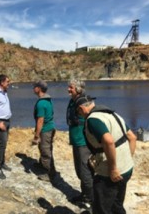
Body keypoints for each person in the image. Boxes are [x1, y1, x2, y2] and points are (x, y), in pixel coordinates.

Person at [75, 94, 137, 214]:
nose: (80, 115)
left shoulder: (93, 120)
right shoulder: (112, 113)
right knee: (116, 205)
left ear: (82, 109)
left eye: (78, 112)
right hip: (127, 169)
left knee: (101, 208)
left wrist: (114, 168)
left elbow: (108, 141)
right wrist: (127, 159)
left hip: (110, 174)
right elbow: (132, 137)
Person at [66, 80, 93, 208]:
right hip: (76, 141)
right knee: (79, 171)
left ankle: (90, 200)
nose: (68, 89)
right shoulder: (73, 101)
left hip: (84, 142)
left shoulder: (83, 102)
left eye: (70, 87)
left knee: (85, 172)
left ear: (78, 89)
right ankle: (85, 194)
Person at [32, 80, 56, 182]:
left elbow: (40, 120)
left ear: (39, 89)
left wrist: (36, 136)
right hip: (49, 128)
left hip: (45, 130)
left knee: (46, 151)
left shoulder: (41, 103)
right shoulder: (48, 99)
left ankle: (49, 173)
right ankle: (42, 164)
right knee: (44, 148)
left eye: (35, 86)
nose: (33, 88)